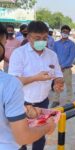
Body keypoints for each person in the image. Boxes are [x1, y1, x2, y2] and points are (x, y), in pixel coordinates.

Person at [9, 21, 64, 150]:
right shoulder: (19, 54)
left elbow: (58, 74)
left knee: (40, 135)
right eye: (37, 38)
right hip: (21, 103)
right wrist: (35, 78)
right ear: (28, 37)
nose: (41, 41)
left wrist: (58, 82)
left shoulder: (51, 55)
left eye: (45, 38)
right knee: (21, 137)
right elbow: (14, 81)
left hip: (42, 102)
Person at [52, 25, 75, 107]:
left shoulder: (71, 44)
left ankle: (69, 101)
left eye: (66, 32)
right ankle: (56, 100)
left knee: (68, 85)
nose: (65, 33)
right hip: (57, 68)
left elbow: (71, 57)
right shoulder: (56, 44)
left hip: (67, 69)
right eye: (63, 32)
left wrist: (63, 65)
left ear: (69, 33)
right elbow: (53, 55)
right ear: (61, 32)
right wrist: (58, 66)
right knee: (57, 84)